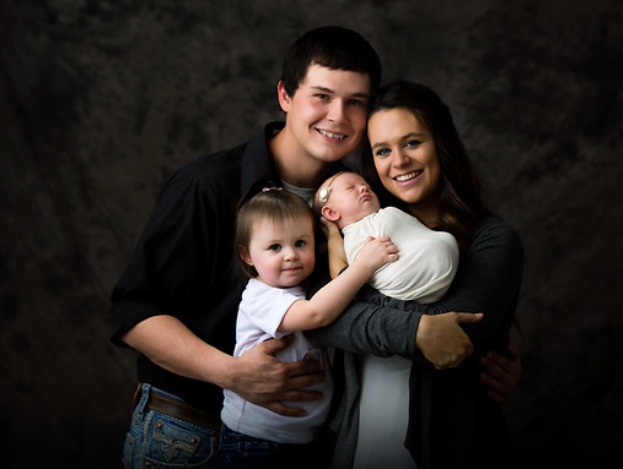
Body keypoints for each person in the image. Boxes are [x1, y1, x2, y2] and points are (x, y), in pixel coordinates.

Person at [110, 25, 521, 469]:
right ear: (285, 95)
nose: (338, 116)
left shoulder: (361, 205)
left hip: (306, 443)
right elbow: (133, 311)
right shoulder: (209, 186)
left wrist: (476, 358)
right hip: (191, 431)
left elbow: (347, 312)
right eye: (322, 96)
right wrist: (232, 374)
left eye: (356, 102)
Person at [306, 80, 525, 469]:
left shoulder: (492, 241)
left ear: (441, 144)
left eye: (412, 143)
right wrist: (416, 328)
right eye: (383, 151)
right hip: (360, 445)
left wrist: (347, 283)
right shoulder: (357, 232)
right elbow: (316, 322)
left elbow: (450, 335)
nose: (399, 161)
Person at [217, 187, 397, 468]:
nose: (291, 255)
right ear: (247, 255)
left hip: (304, 441)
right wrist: (364, 265)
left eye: (301, 243)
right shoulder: (260, 297)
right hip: (256, 442)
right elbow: (316, 314)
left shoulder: (302, 288)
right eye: (275, 247)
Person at [314, 170, 459, 303]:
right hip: (408, 280)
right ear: (332, 213)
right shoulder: (354, 236)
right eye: (350, 188)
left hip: (440, 263)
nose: (364, 188)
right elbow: (353, 275)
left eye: (367, 186)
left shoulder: (385, 213)